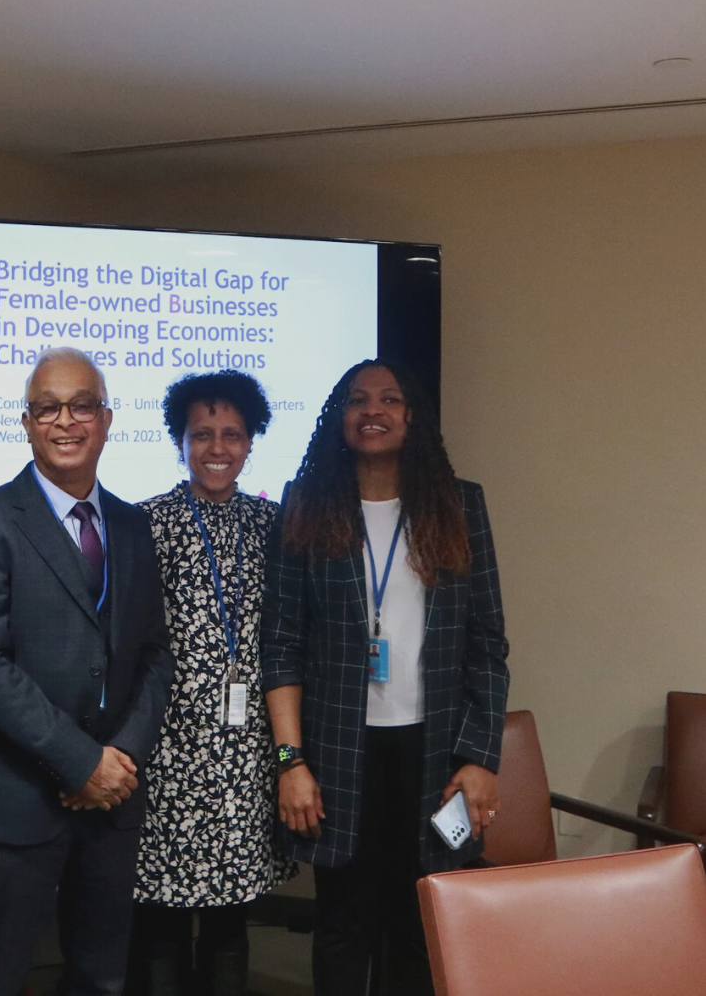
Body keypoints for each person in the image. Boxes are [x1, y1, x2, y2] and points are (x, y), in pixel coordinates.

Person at [261, 359, 509, 996]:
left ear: (412, 416)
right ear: (338, 420)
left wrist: (482, 758)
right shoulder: (307, 504)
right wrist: (291, 761)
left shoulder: (458, 505)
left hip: (433, 753)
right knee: (343, 923)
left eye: (390, 398)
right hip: (340, 753)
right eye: (356, 400)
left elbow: (488, 644)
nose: (372, 410)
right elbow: (282, 647)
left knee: (418, 920)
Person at [0, 346, 175, 996]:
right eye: (47, 407)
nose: (65, 420)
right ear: (26, 423)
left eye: (82, 405)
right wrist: (82, 762)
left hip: (114, 803)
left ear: (107, 421)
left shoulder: (135, 527)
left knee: (102, 977)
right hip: (17, 800)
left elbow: (156, 655)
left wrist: (120, 759)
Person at [126, 371, 295, 996]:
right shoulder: (144, 525)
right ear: (179, 440)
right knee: (161, 929)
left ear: (251, 442)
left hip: (245, 757)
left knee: (230, 923)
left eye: (231, 434)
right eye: (202, 434)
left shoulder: (274, 527)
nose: (217, 447)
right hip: (166, 757)